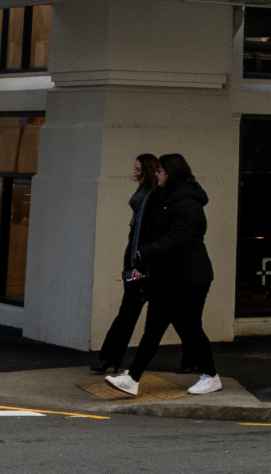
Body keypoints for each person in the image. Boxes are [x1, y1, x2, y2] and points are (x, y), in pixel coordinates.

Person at [105, 153, 221, 397]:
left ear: (172, 173)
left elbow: (176, 239)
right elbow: (154, 232)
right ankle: (133, 378)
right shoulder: (165, 197)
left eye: (161, 170)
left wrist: (145, 252)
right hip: (168, 276)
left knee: (189, 327)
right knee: (155, 327)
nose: (156, 174)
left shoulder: (187, 202)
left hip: (190, 279)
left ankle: (210, 375)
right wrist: (144, 262)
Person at [90, 153, 159, 373]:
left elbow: (147, 235)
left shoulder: (152, 198)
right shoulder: (143, 196)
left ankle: (109, 358)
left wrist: (139, 263)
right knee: (128, 312)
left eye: (138, 169)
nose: (135, 173)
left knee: (132, 313)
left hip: (143, 264)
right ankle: (110, 357)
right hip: (137, 262)